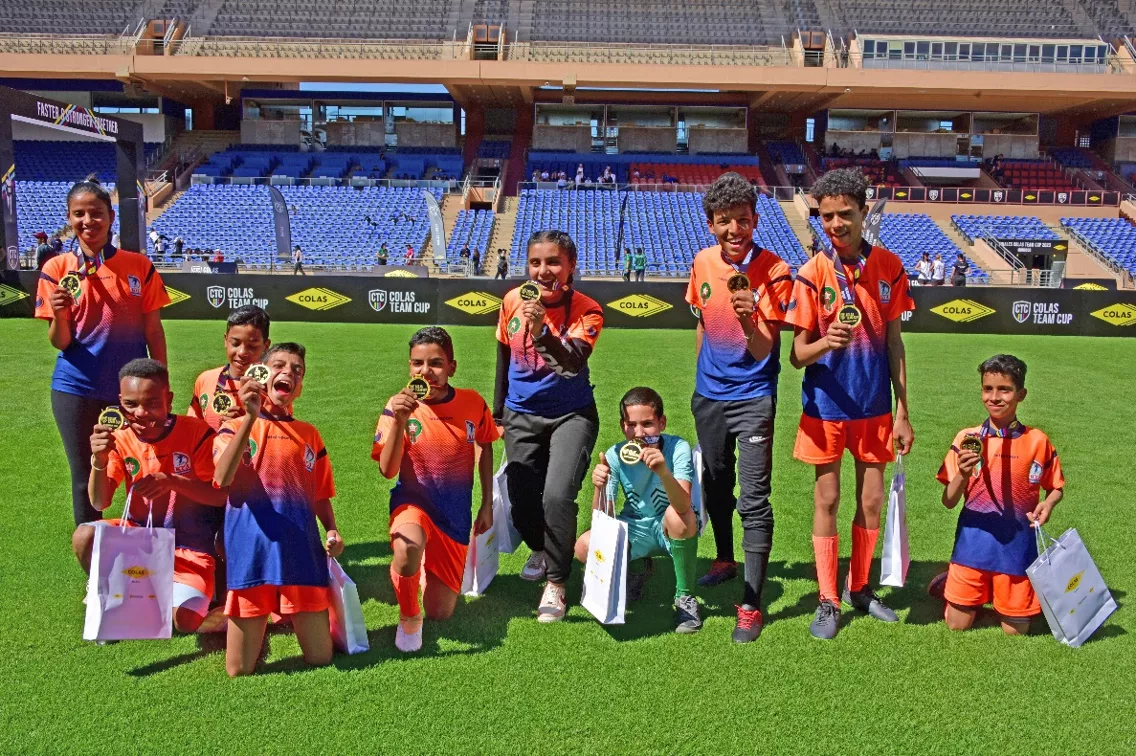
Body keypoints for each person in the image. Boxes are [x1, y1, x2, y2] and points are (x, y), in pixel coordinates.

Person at [784, 168, 915, 641]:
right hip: (825, 408)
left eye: (845, 214)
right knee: (829, 498)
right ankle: (827, 598)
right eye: (827, 217)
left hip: (875, 406)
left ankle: (860, 587)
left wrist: (903, 410)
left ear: (863, 212)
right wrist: (826, 343)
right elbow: (797, 354)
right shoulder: (811, 272)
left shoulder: (890, 267)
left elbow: (896, 344)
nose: (836, 224)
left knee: (873, 500)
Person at [685, 172, 793, 642]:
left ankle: (750, 602)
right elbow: (701, 326)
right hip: (709, 397)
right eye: (725, 221)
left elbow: (765, 349)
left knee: (753, 496)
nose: (734, 230)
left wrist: (751, 318)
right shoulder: (703, 262)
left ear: (755, 220)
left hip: (753, 398)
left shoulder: (776, 271)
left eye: (743, 220)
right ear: (711, 223)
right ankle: (725, 558)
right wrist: (700, 381)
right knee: (714, 483)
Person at [36, 175, 169, 528]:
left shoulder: (138, 265)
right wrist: (61, 313)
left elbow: (153, 330)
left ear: (110, 217)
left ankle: (144, 558)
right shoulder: (56, 269)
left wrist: (161, 383)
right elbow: (60, 341)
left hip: (131, 392)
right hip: (75, 388)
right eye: (78, 214)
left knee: (139, 467)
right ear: (69, 218)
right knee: (85, 477)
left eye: (95, 213)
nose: (87, 221)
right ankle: (94, 568)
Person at [213, 343, 344, 677]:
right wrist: (249, 418)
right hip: (252, 552)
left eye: (297, 369)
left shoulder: (310, 435)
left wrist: (331, 529)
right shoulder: (234, 425)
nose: (289, 372)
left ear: (300, 385)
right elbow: (221, 477)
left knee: (321, 658)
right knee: (239, 670)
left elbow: (319, 494)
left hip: (301, 550)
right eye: (280, 366)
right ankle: (253, 616)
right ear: (262, 374)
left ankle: (280, 612)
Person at [494, 230, 603, 623]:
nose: (543, 271)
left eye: (553, 262)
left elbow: (572, 365)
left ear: (571, 266)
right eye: (536, 262)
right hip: (520, 414)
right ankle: (542, 549)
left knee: (556, 497)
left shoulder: (588, 310)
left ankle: (556, 582)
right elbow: (504, 356)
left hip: (571, 414)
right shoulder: (511, 300)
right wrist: (498, 415)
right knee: (521, 499)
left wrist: (541, 330)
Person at [76, 358, 227, 633]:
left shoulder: (197, 434)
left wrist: (173, 482)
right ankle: (112, 588)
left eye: (152, 403)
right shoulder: (118, 438)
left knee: (186, 622)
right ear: (120, 401)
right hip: (139, 539)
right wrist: (98, 460)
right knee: (85, 536)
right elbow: (100, 502)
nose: (142, 413)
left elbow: (220, 497)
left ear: (168, 399)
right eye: (131, 404)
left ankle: (179, 589)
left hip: (190, 545)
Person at [373, 327, 499, 652]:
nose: (425, 371)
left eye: (435, 363)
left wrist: (486, 503)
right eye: (417, 363)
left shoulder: (472, 403)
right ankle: (409, 616)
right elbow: (387, 470)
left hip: (454, 516)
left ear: (452, 367)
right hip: (412, 504)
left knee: (441, 613)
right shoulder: (398, 407)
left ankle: (423, 569)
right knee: (407, 547)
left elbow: (485, 443)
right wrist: (400, 422)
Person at [929, 354, 1064, 635]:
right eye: (988, 389)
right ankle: (951, 580)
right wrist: (963, 475)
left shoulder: (1037, 441)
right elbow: (949, 500)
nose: (995, 397)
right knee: (956, 626)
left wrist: (1047, 504)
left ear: (1021, 394)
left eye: (1004, 389)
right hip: (973, 545)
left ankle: (995, 592)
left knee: (1015, 632)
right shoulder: (967, 439)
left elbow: (1055, 488)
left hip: (1016, 548)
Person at [577, 388, 702, 633]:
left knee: (679, 516)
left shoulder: (677, 448)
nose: (640, 433)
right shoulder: (615, 454)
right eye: (631, 425)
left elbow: (684, 505)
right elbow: (603, 520)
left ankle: (685, 597)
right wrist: (599, 488)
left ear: (662, 423)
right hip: (634, 528)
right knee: (584, 544)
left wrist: (663, 472)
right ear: (623, 426)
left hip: (668, 527)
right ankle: (634, 571)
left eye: (648, 424)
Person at [188, 305, 271, 431]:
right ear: (225, 340)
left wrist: (247, 423)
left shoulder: (272, 388)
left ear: (266, 346)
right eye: (235, 343)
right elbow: (192, 429)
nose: (242, 352)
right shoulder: (205, 379)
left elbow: (278, 439)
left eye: (252, 346)